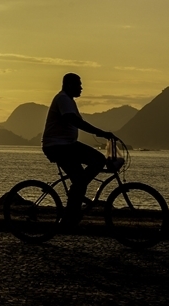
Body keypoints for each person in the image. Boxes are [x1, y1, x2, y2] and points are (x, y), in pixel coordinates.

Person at [41, 72, 116, 227]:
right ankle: (71, 210)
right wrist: (100, 133)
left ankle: (76, 194)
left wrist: (100, 132)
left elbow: (79, 121)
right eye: (78, 84)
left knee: (87, 172)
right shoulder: (63, 99)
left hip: (66, 145)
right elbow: (74, 121)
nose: (81, 88)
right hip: (59, 146)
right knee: (93, 165)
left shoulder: (68, 100)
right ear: (69, 85)